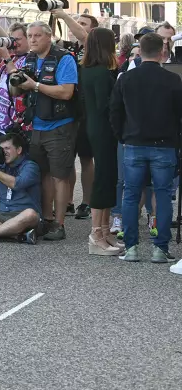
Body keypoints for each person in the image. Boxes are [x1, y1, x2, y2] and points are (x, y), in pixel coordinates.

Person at [110, 32, 182, 264]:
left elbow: (114, 112)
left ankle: (131, 247)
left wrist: (122, 136)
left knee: (130, 195)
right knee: (162, 196)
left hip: (133, 143)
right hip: (164, 145)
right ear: (163, 52)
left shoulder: (126, 79)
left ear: (139, 51)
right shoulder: (173, 80)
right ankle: (160, 248)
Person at [16, 21, 78, 241]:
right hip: (36, 125)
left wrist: (35, 85)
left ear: (49, 37)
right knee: (43, 174)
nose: (32, 39)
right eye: (30, 35)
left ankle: (60, 224)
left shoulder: (64, 58)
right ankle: (47, 219)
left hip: (60, 126)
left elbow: (66, 92)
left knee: (60, 176)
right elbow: (17, 91)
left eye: (37, 36)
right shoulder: (29, 58)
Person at [78, 28, 122, 255]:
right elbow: (108, 106)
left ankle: (104, 230)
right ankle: (96, 233)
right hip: (106, 129)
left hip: (95, 127)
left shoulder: (86, 69)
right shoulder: (104, 73)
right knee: (104, 178)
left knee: (107, 176)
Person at [0, 23, 29, 142]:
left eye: (18, 39)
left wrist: (6, 57)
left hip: (15, 124)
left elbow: (18, 82)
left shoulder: (31, 59)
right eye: (12, 39)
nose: (14, 43)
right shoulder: (12, 58)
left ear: (29, 38)